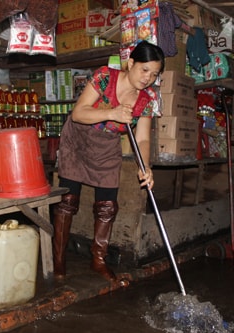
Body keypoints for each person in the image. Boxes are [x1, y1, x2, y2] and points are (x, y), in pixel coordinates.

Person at [52, 41, 165, 287]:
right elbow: (78, 113)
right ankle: (58, 260)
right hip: (78, 142)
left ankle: (99, 261)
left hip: (106, 148)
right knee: (68, 202)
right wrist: (113, 113)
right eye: (144, 70)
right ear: (131, 63)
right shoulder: (105, 77)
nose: (148, 78)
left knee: (107, 206)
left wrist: (145, 166)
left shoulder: (146, 100)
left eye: (154, 74)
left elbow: (143, 138)